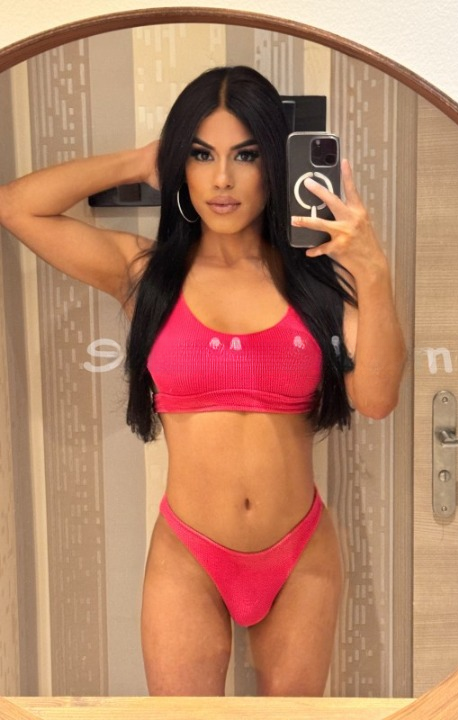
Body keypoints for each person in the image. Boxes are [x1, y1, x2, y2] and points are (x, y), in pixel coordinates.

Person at [0, 65, 406, 696]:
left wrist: (373, 271)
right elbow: (17, 206)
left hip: (300, 554)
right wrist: (143, 160)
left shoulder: (318, 281)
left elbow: (377, 399)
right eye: (200, 154)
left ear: (274, 164)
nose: (221, 179)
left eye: (245, 155)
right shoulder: (146, 274)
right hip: (188, 555)